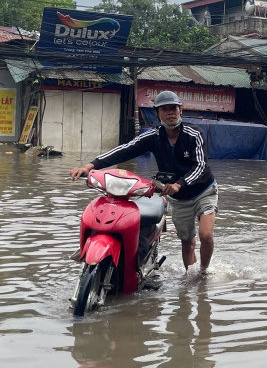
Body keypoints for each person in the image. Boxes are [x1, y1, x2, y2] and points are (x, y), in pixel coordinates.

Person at [69, 90, 218, 274]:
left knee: (205, 234)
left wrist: (179, 183)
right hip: (178, 197)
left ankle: (203, 272)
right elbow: (125, 150)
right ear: (158, 113)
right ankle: (191, 279)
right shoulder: (153, 136)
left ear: (181, 110)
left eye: (174, 109)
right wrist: (90, 166)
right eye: (165, 109)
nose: (171, 113)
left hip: (203, 190)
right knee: (187, 242)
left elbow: (201, 166)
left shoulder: (194, 134)